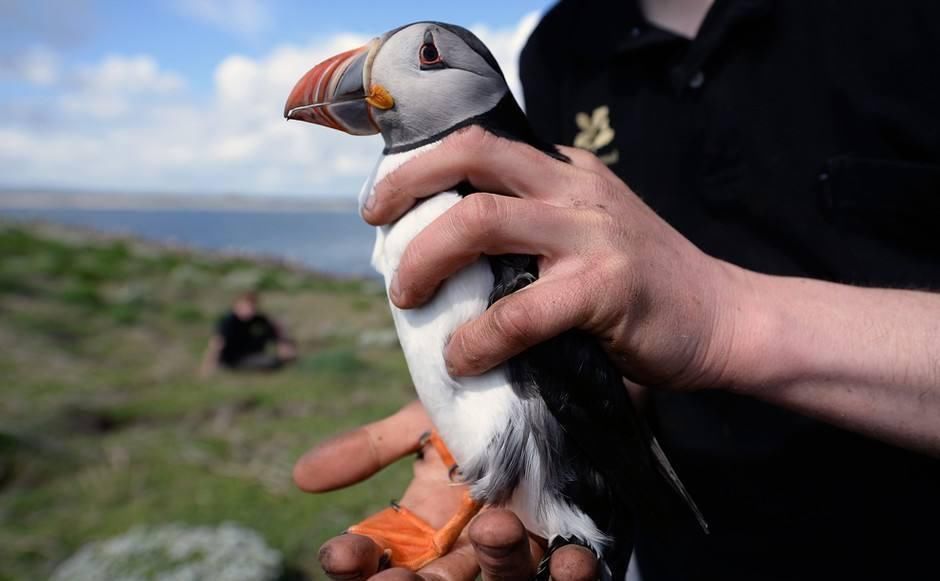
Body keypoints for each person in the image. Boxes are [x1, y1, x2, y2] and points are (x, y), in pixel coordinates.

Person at [294, 0, 940, 579]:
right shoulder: (563, 44)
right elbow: (582, 310)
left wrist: (721, 318)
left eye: (428, 55)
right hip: (671, 548)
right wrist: (480, 425)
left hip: (900, 534)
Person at [199, 291, 297, 376]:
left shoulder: (257, 319)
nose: (248, 310)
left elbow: (275, 329)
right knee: (272, 363)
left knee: (271, 333)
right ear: (236, 305)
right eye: (245, 307)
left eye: (251, 307)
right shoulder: (229, 321)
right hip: (233, 359)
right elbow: (217, 343)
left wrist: (284, 345)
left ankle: (283, 358)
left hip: (249, 353)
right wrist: (207, 366)